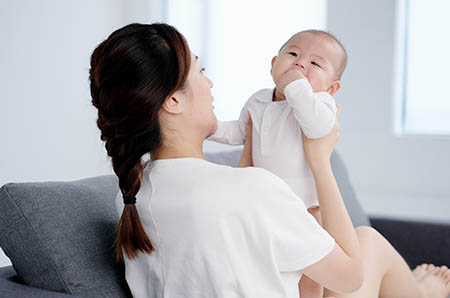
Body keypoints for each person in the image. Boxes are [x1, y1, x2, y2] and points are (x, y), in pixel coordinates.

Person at [89, 22, 450, 298]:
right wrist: (320, 160)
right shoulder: (253, 190)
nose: (210, 84)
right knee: (367, 242)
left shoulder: (131, 196)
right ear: (173, 101)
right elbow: (352, 276)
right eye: (200, 71)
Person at [208, 29, 347, 297]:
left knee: (310, 276)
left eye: (315, 63)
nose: (300, 64)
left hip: (306, 208)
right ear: (273, 64)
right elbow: (240, 132)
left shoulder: (321, 103)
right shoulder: (258, 100)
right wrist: (211, 128)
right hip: (266, 207)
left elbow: (318, 128)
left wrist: (297, 86)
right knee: (280, 270)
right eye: (293, 54)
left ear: (332, 87)